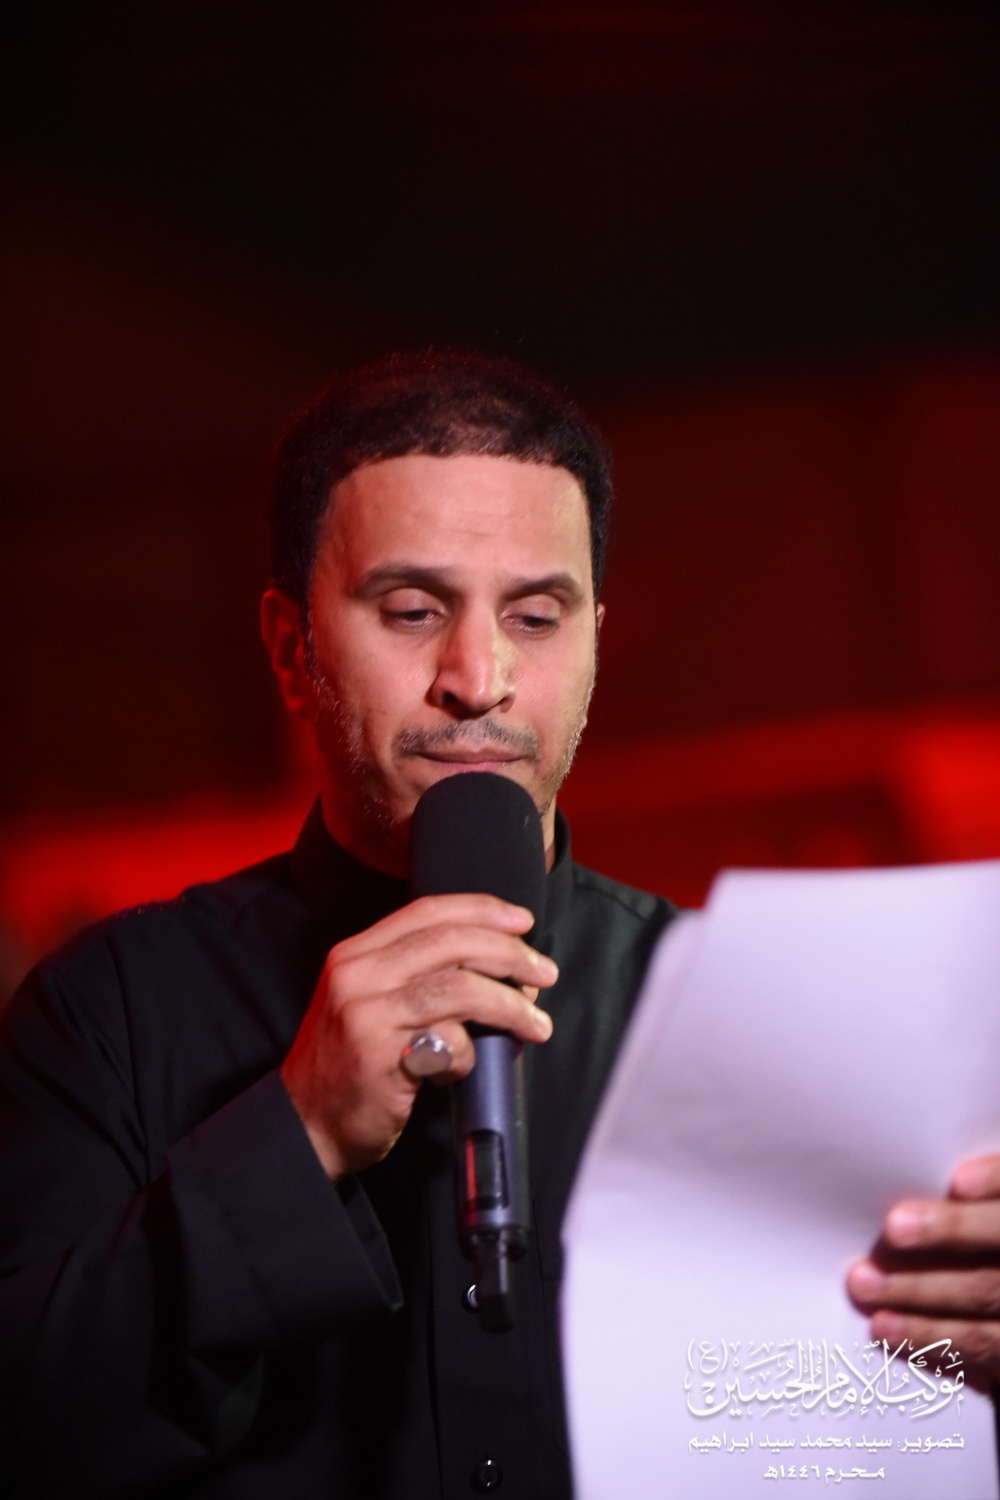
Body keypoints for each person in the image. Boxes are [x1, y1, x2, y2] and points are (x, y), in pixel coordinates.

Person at [0, 351, 998, 1499]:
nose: (478, 677)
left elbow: (864, 1434)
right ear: (290, 649)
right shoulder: (109, 1011)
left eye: (535, 615)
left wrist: (968, 1362)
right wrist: (298, 1136)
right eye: (411, 610)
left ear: (592, 648)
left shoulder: (753, 1004)